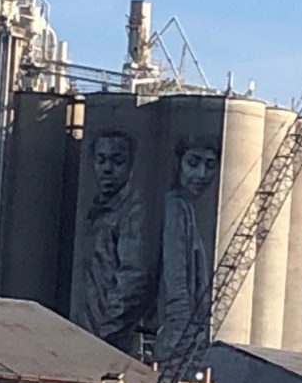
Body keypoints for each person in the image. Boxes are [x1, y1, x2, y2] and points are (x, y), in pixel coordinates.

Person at [78, 130, 153, 354]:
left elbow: (133, 280)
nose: (107, 169)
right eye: (101, 160)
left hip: (109, 341)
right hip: (86, 334)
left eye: (117, 161)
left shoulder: (133, 213)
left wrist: (104, 331)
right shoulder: (96, 210)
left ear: (131, 166)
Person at [157, 139, 220, 363]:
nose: (202, 174)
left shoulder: (186, 209)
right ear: (178, 164)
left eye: (211, 165)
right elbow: (176, 283)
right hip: (180, 337)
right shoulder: (175, 208)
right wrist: (182, 334)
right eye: (193, 163)